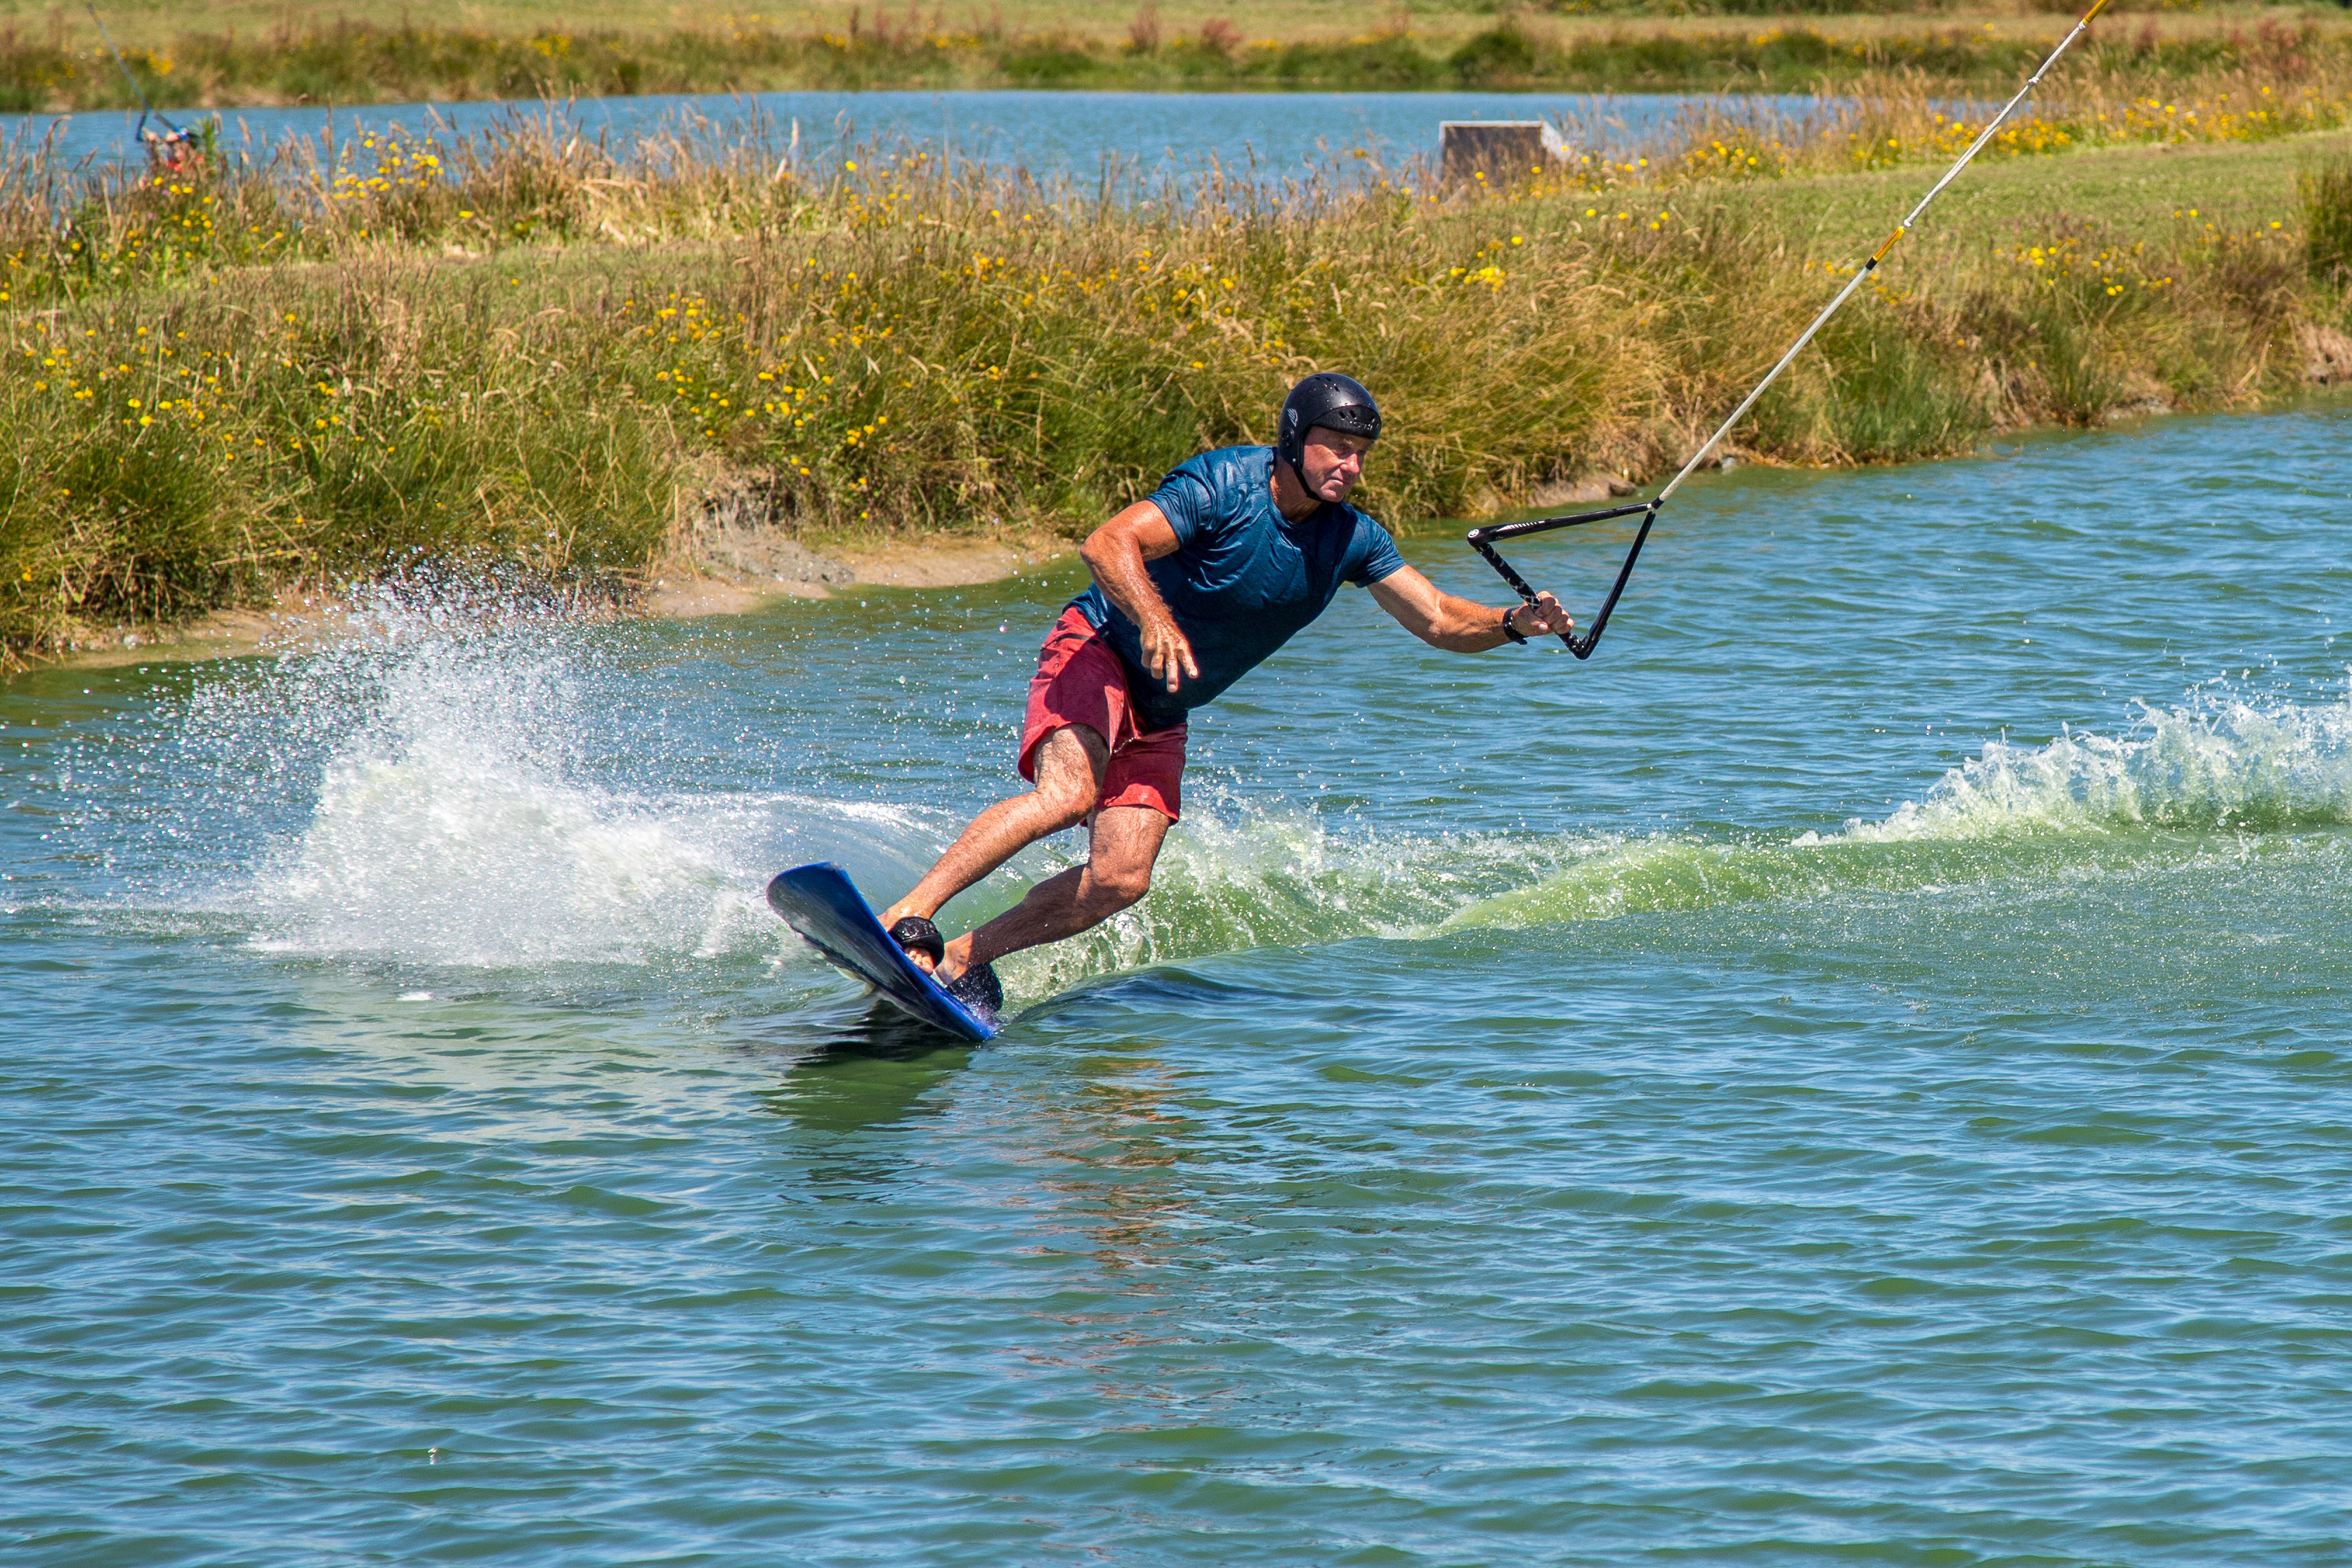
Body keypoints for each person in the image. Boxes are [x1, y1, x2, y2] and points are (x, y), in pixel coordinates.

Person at [878, 372, 1574, 1011]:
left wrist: (1517, 622)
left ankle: (962, 958)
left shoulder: (1352, 539)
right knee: (1067, 797)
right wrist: (1151, 619)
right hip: (1101, 650)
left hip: (1164, 707)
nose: (1351, 466)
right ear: (1296, 440)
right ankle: (905, 918)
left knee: (1122, 878)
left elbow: (1441, 619)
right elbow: (1107, 544)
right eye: (1336, 447)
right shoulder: (1224, 485)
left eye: (1361, 453)